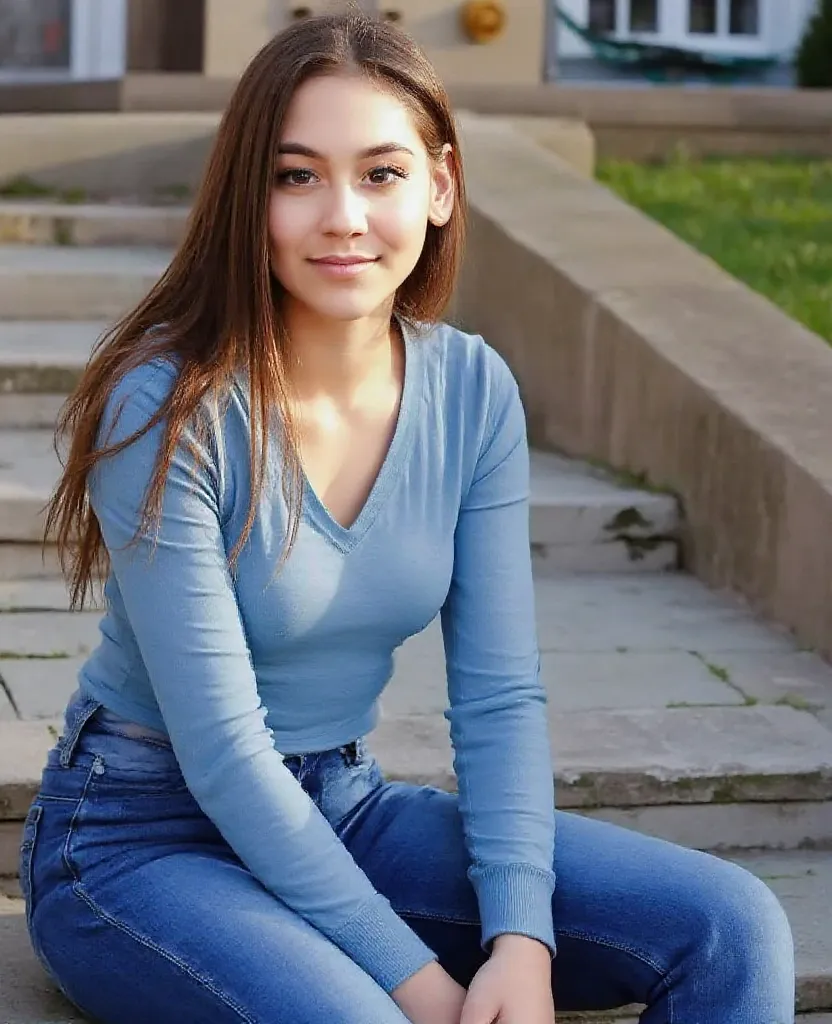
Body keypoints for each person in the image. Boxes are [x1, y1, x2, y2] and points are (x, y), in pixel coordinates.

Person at [20, 10, 795, 1024]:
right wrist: (423, 985)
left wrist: (521, 935)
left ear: (439, 186)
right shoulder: (170, 407)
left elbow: (499, 694)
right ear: (246, 200)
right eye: (295, 176)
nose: (342, 214)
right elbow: (222, 753)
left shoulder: (470, 389)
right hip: (138, 835)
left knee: (729, 925)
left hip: (345, 807)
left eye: (380, 173)